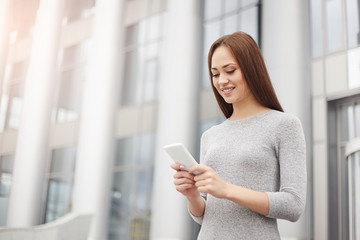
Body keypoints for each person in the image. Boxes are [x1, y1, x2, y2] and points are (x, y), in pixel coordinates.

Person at [171, 32, 306, 239]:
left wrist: (226, 189)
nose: (222, 81)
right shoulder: (210, 135)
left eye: (230, 70)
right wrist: (193, 196)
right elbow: (205, 215)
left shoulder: (284, 125)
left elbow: (293, 205)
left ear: (251, 68)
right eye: (215, 74)